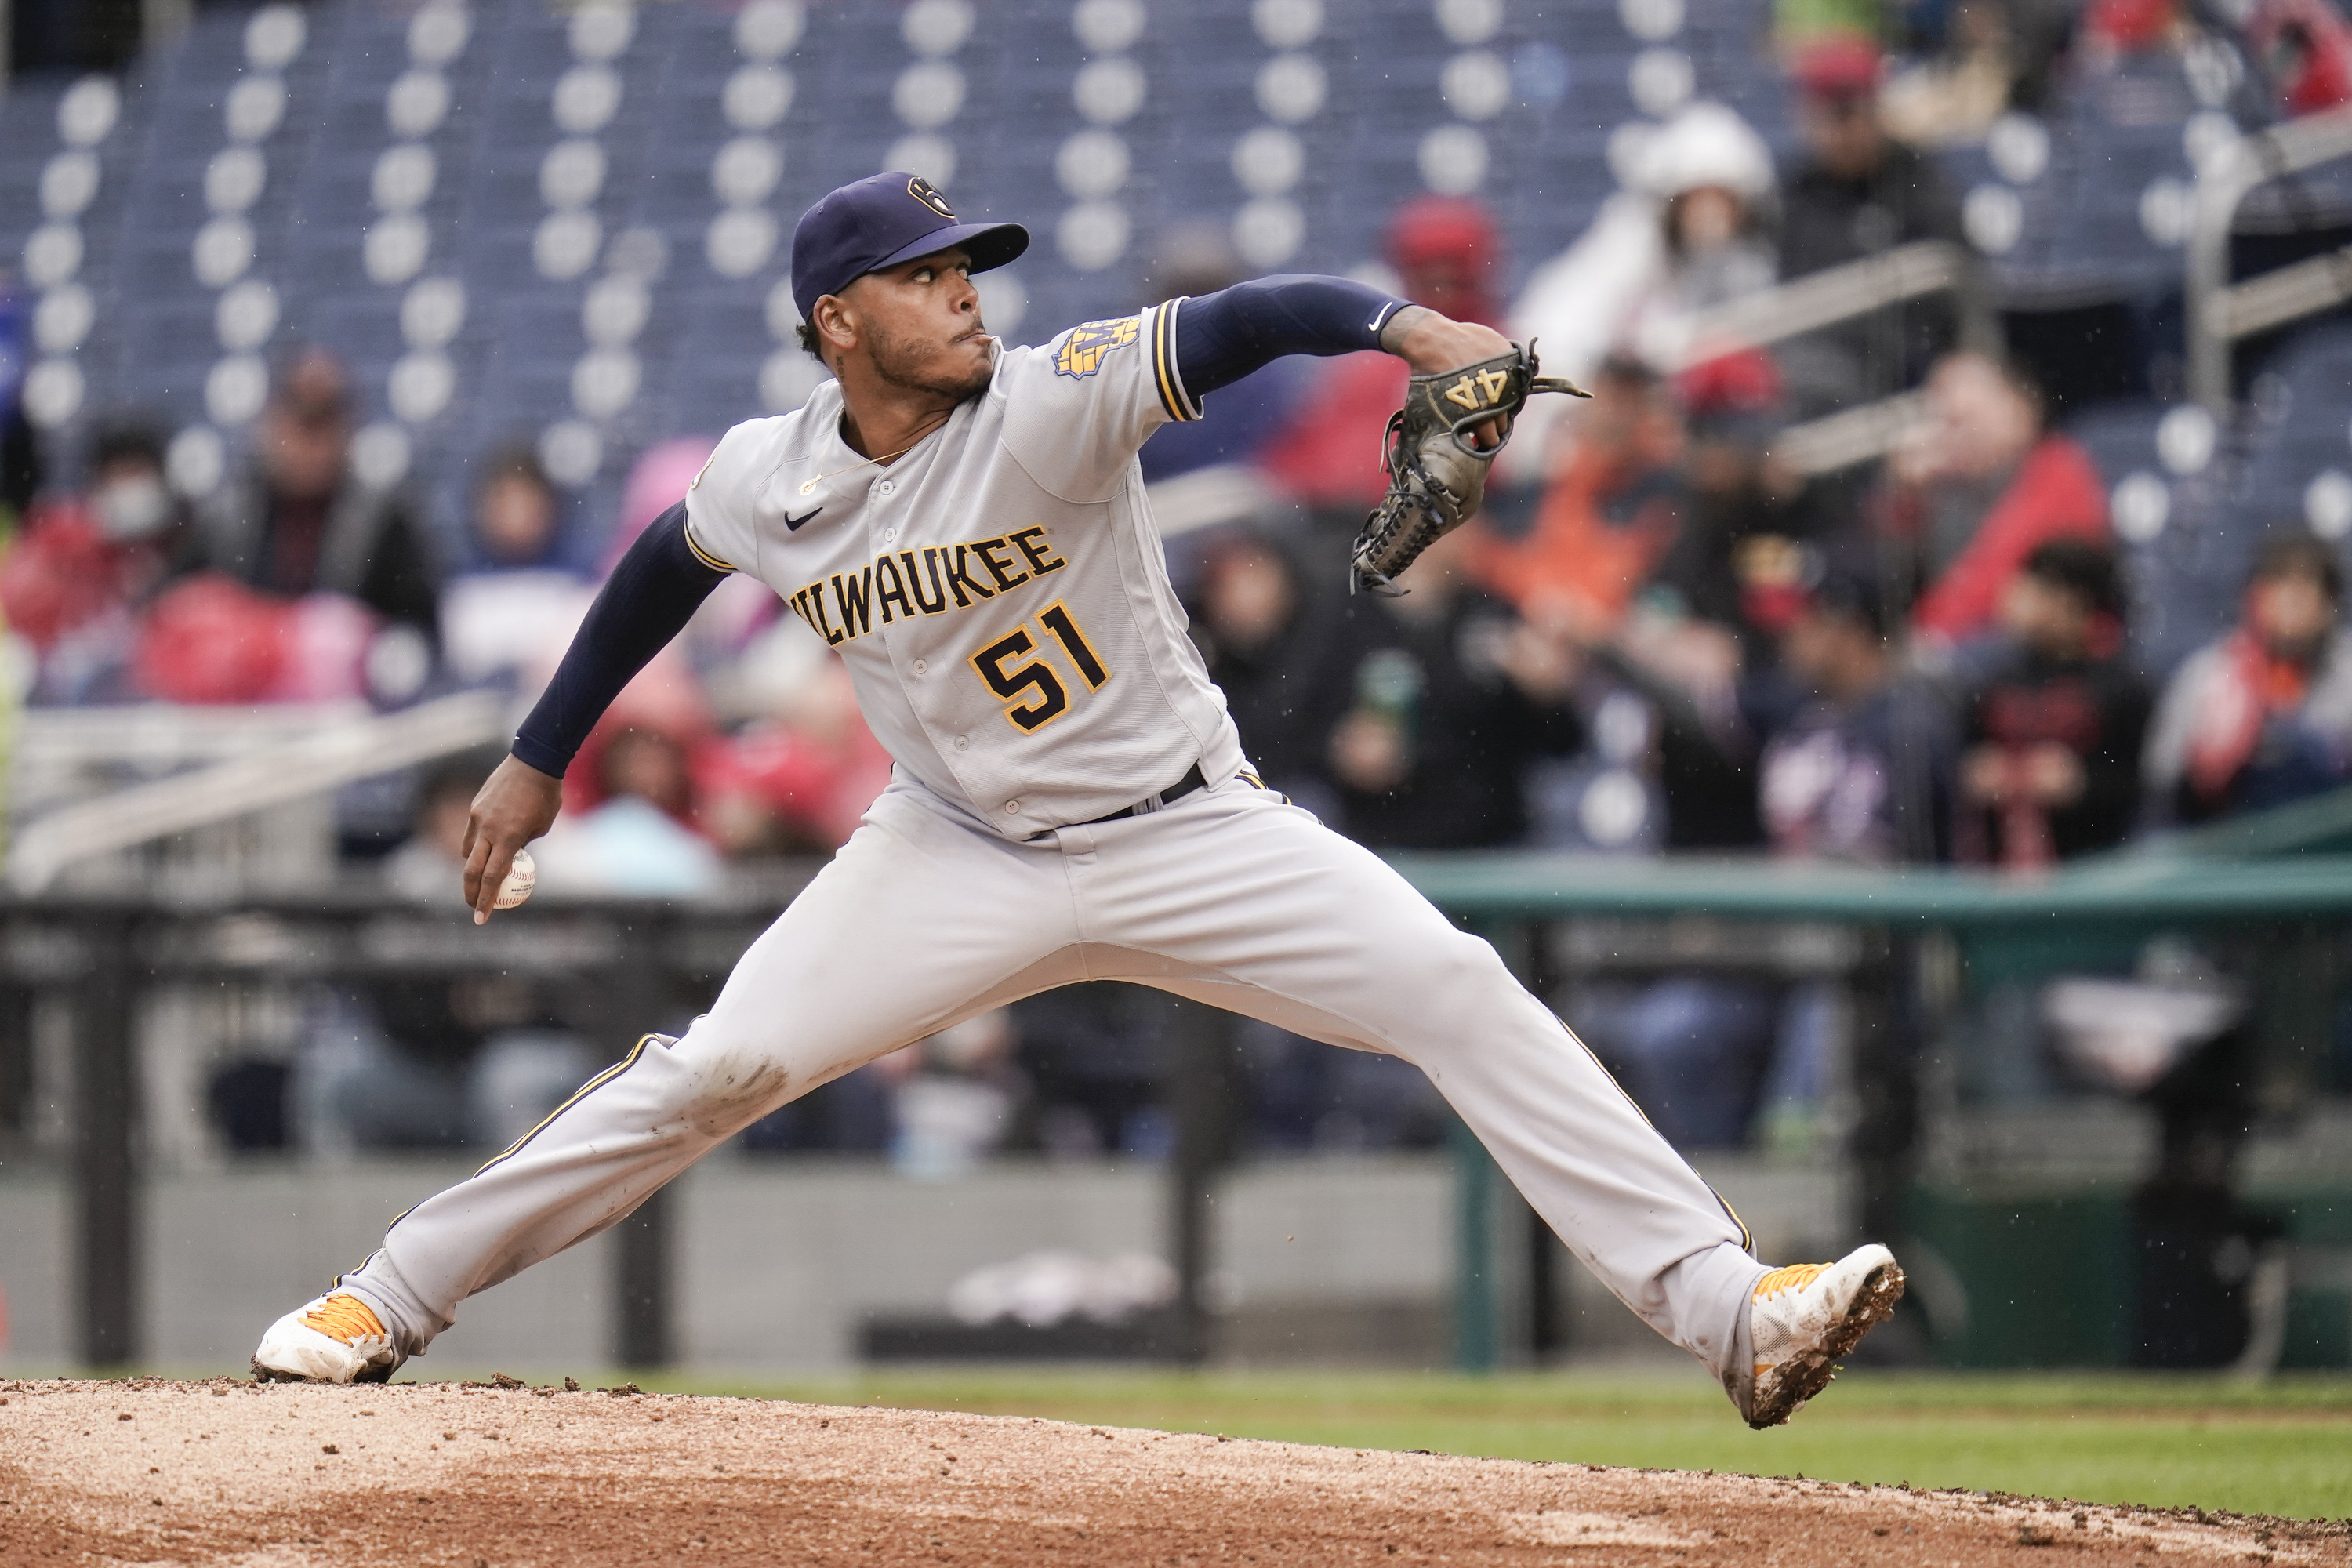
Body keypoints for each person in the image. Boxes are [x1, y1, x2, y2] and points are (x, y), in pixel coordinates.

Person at [250, 170, 1904, 1428]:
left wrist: (1418, 331)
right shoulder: (774, 473)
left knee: (1460, 987)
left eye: (971, 267)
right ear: (839, 320)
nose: (967, 294)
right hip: (949, 849)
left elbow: (1256, 315)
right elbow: (658, 570)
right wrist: (540, 757)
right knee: (721, 1065)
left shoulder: (1054, 394)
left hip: (1191, 829)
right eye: (926, 277)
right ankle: (382, 1299)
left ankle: (1729, 1309)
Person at [183, 348, 441, 644]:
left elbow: (420, 632)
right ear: (270, 425)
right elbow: (168, 612)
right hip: (243, 682)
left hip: (347, 685)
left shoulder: (385, 521)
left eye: (324, 426)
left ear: (348, 431)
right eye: (300, 426)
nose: (310, 444)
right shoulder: (224, 517)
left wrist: (362, 638)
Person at [1776, 35, 1969, 409]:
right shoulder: (1796, 193)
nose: (1842, 131)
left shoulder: (1917, 182)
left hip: (1906, 374)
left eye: (1851, 112)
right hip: (1814, 371)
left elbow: (1956, 294)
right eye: (1828, 114)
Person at [1878, 351, 2107, 648]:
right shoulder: (1948, 493)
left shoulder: (2059, 468)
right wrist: (1907, 498)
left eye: (1969, 419)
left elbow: (2001, 579)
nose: (1958, 437)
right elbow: (1887, 586)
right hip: (1969, 655)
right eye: (1948, 424)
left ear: (2022, 409)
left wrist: (1930, 633)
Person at [1957, 539, 2150, 866]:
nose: (2014, 599)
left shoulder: (2122, 687)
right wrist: (1979, 774)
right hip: (2000, 874)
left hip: (2093, 870)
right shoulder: (1989, 681)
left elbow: (2141, 784)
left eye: (2033, 588)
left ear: (2071, 602)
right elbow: (1964, 761)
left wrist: (2083, 784)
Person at [2144, 535, 2352, 824]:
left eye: (2305, 586)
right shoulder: (2209, 674)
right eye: (2277, 584)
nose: (2289, 599)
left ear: (2329, 605)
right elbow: (2162, 778)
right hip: (2229, 844)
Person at [0, 419, 191, 703]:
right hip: (70, 700)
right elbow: (15, 611)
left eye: (137, 473)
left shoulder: (192, 540)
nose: (129, 487)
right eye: (118, 475)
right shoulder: (62, 544)